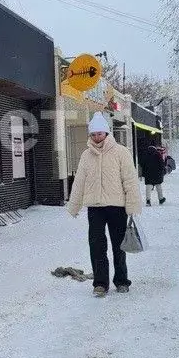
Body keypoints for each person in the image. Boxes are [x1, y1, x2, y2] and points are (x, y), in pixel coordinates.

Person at [66, 113, 142, 297]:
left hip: (117, 207)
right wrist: (74, 206)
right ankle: (100, 283)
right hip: (95, 208)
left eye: (100, 133)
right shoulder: (86, 155)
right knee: (97, 245)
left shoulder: (121, 152)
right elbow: (79, 182)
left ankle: (121, 280)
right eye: (94, 134)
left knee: (118, 245)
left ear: (107, 133)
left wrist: (132, 206)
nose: (97, 137)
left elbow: (130, 181)